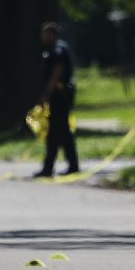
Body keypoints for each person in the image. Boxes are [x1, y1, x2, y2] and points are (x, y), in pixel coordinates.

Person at [34, 22, 79, 177]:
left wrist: (47, 92)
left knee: (54, 133)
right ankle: (73, 165)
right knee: (64, 132)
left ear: (52, 34)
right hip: (60, 95)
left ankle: (48, 168)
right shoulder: (57, 48)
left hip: (60, 95)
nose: (42, 37)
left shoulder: (57, 49)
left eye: (45, 33)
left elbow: (58, 70)